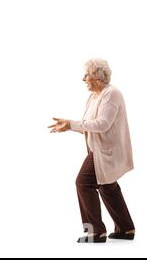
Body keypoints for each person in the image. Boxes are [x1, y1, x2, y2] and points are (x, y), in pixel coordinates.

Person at [48, 59, 135, 243]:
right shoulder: (94, 97)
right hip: (99, 150)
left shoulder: (112, 94)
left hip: (106, 152)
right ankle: (126, 229)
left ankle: (95, 232)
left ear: (97, 76)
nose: (83, 78)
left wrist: (72, 123)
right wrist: (68, 126)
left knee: (83, 182)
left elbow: (102, 125)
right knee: (107, 186)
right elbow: (90, 127)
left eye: (86, 74)